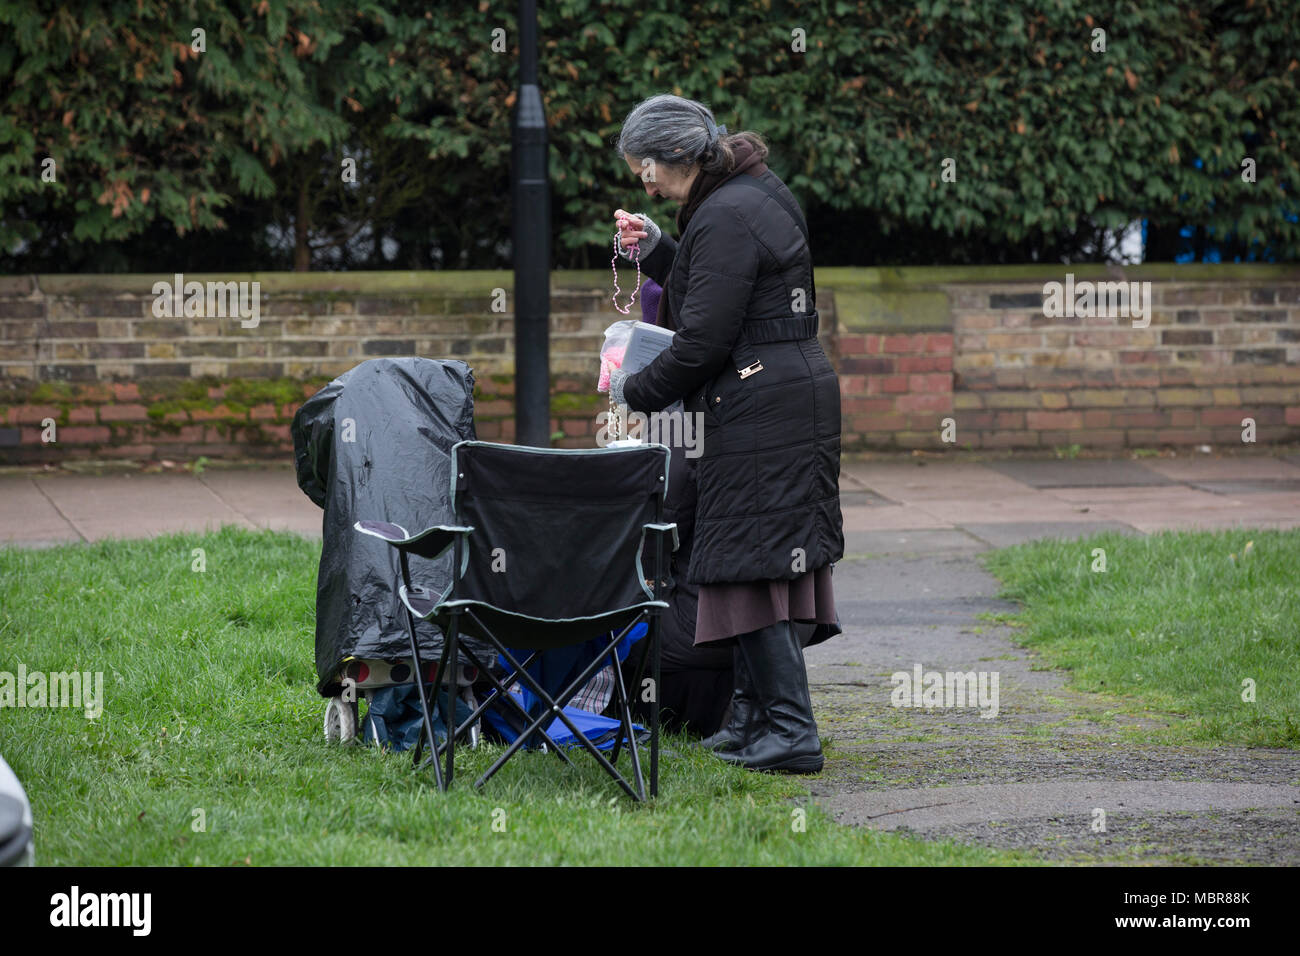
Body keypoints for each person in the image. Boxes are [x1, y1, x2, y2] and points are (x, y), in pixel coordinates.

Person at [608, 93, 844, 774]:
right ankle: (751, 720)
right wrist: (658, 253)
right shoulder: (748, 192)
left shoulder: (728, 212)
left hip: (761, 402)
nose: (641, 183)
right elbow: (718, 290)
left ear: (666, 160)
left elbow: (703, 340)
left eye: (642, 170)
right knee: (743, 557)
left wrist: (633, 390)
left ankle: (791, 733)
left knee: (755, 562)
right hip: (777, 393)